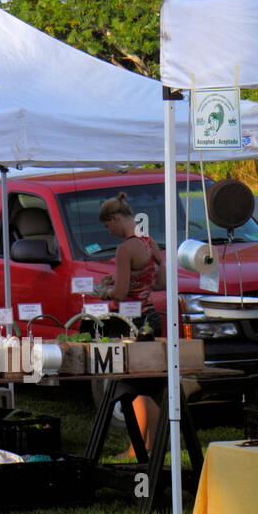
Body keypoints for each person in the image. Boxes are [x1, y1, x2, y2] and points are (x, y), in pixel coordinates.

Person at [95, 192, 166, 456]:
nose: (109, 232)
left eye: (107, 226)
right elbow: (159, 282)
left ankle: (141, 448)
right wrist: (124, 283)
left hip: (131, 321)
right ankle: (149, 446)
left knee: (133, 387)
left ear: (115, 218)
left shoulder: (125, 249)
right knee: (148, 387)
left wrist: (102, 292)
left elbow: (122, 293)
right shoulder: (150, 243)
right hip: (152, 316)